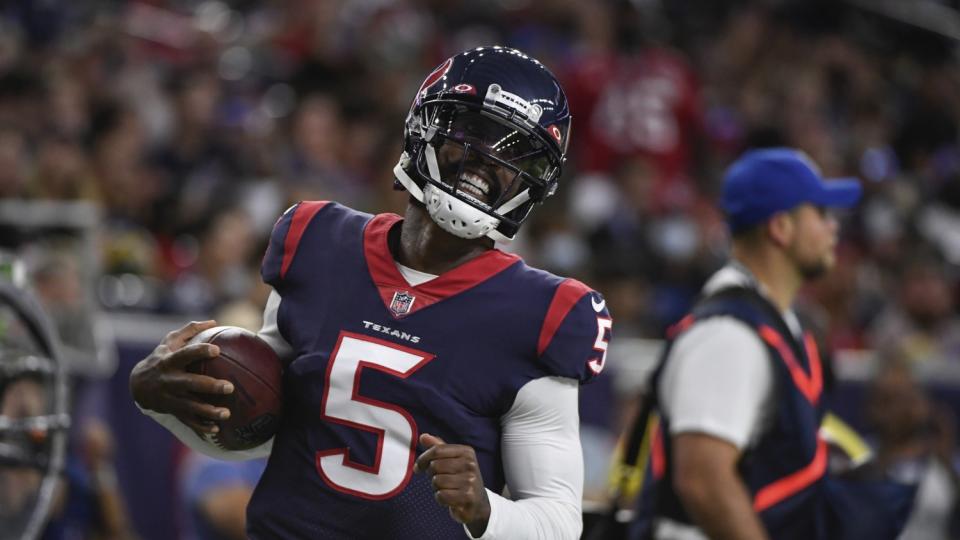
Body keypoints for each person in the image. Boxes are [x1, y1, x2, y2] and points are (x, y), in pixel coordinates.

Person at [130, 46, 612, 540]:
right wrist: (157, 399)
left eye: (514, 153)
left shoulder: (543, 314)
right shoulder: (318, 241)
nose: (487, 161)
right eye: (475, 132)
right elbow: (256, 431)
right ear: (427, 125)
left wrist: (486, 509)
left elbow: (557, 522)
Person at [629, 148, 888, 539]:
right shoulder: (728, 335)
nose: (833, 228)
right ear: (780, 228)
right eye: (820, 213)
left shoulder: (775, 322)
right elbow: (703, 480)